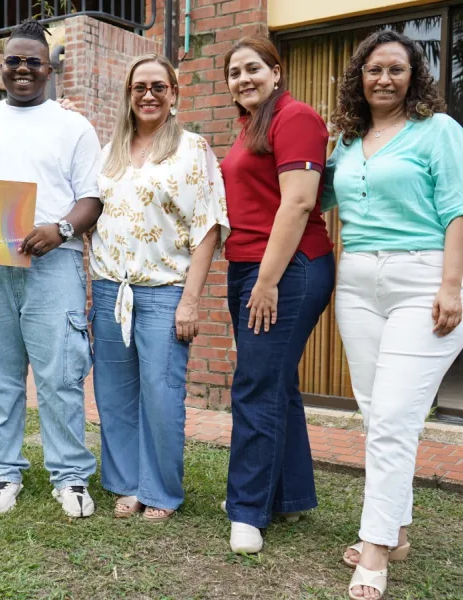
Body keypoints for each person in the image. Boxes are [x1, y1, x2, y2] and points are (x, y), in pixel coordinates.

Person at [0, 19, 101, 517]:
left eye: (33, 61)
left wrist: (62, 229)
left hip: (53, 265)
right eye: (14, 61)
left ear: (49, 69)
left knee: (60, 376)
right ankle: (3, 471)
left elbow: (91, 199)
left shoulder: (73, 127)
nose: (23, 68)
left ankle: (70, 477)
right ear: (2, 67)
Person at [322, 31, 463, 600]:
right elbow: (314, 195)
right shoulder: (347, 140)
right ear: (360, 77)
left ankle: (376, 545)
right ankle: (396, 530)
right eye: (374, 69)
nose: (384, 79)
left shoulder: (438, 130)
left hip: (422, 279)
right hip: (357, 282)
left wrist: (452, 285)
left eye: (396, 69)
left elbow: (458, 210)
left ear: (413, 77)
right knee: (378, 413)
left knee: (394, 419)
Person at [88, 54, 229, 522]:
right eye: (139, 87)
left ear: (173, 94)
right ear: (128, 95)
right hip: (110, 289)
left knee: (162, 393)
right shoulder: (109, 151)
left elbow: (208, 226)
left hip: (164, 290)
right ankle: (127, 484)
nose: (148, 95)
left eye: (158, 87)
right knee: (114, 393)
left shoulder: (193, 149)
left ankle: (161, 491)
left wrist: (191, 300)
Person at [219, 36, 335, 554]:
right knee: (276, 383)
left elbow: (299, 204)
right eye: (234, 73)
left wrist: (267, 282)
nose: (244, 79)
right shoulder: (253, 125)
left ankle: (247, 511)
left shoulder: (296, 118)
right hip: (250, 265)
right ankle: (287, 495)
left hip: (287, 268)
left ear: (276, 71)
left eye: (253, 69)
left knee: (255, 385)